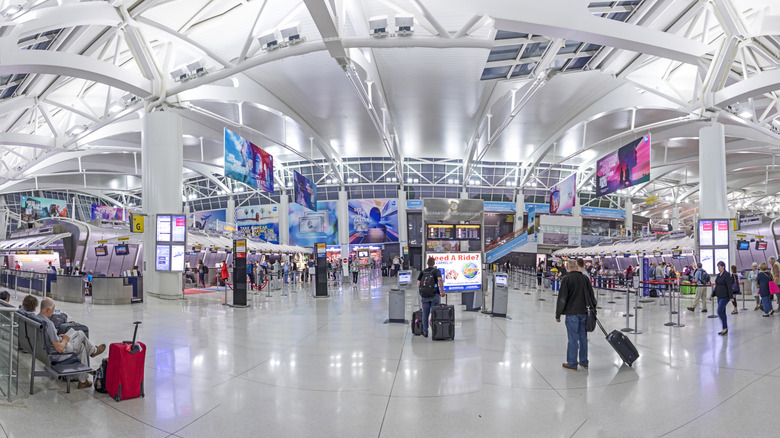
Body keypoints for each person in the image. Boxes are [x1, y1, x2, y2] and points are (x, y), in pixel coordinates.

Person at [38, 298, 105, 389]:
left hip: (47, 351)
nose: (53, 312)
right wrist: (65, 340)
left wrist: (59, 338)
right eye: (53, 309)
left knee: (80, 344)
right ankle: (93, 350)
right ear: (48, 309)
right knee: (80, 334)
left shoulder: (37, 318)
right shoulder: (48, 324)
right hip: (57, 355)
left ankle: (83, 381)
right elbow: (60, 349)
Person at [555, 259, 597, 371]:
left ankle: (572, 363)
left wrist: (558, 314)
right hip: (584, 313)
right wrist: (594, 309)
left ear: (568, 267)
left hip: (572, 314)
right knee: (583, 337)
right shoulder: (585, 279)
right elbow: (592, 296)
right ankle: (584, 361)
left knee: (573, 338)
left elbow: (562, 298)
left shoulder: (566, 279)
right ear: (577, 267)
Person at [417, 257, 445, 338]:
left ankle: (425, 332)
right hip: (434, 295)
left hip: (425, 296)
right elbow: (439, 279)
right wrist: (442, 291)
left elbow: (419, 284)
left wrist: (422, 292)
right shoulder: (436, 271)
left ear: (427, 263)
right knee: (434, 314)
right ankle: (435, 331)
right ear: (434, 263)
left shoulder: (423, 271)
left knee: (425, 314)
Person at [712, 261, 733, 335]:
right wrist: (712, 294)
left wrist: (731, 297)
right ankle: (725, 328)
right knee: (722, 312)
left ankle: (725, 327)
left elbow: (729, 286)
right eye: (718, 267)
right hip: (719, 296)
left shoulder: (727, 275)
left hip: (725, 296)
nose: (718, 268)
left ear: (723, 266)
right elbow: (717, 286)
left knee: (719, 311)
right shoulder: (718, 275)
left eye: (719, 266)